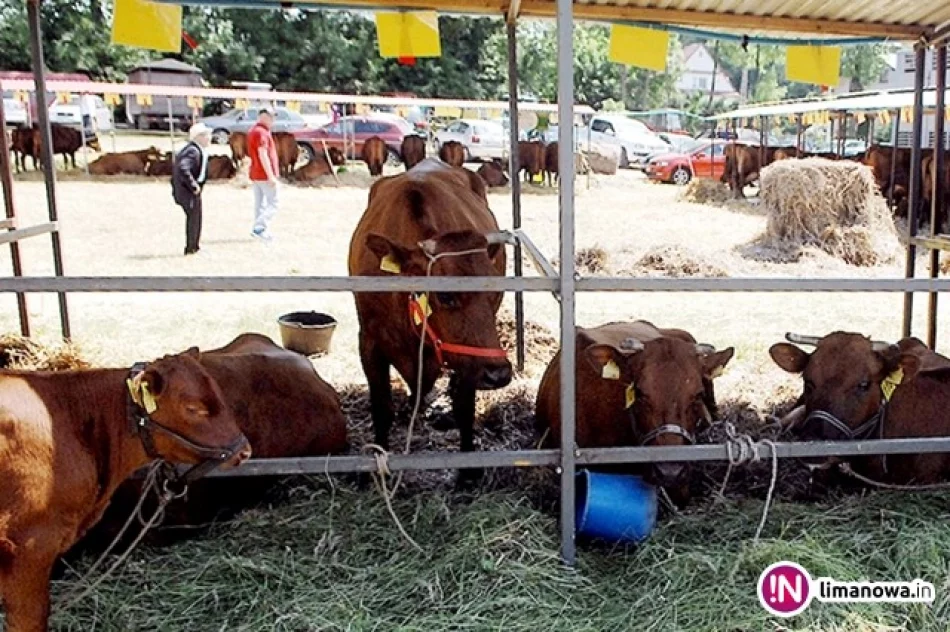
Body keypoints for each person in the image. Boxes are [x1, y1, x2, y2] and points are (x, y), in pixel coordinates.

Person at [172, 122, 211, 255]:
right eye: (206, 135)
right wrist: (193, 185)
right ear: (199, 137)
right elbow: (183, 168)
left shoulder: (196, 149)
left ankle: (194, 246)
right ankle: (191, 248)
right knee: (194, 219)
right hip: (187, 191)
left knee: (196, 218)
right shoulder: (192, 151)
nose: (209, 138)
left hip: (190, 190)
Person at [247, 107, 280, 242]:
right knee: (274, 203)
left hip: (255, 172)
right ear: (264, 117)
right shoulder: (262, 133)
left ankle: (260, 230)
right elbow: (263, 153)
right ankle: (259, 227)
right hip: (263, 173)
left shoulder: (253, 131)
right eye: (271, 117)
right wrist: (270, 175)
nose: (273, 120)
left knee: (260, 203)